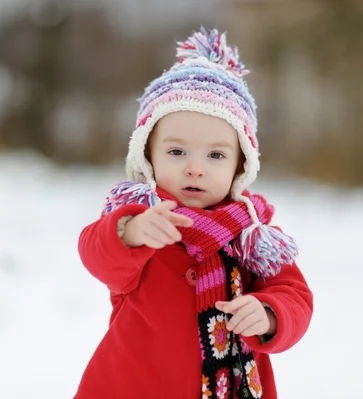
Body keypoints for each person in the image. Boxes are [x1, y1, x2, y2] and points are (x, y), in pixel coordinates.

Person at [75, 27, 313, 399]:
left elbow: (295, 294)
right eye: (176, 152)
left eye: (215, 155)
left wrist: (269, 314)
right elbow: (96, 254)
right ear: (148, 157)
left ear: (239, 166)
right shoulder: (143, 222)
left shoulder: (252, 237)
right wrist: (132, 230)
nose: (195, 168)